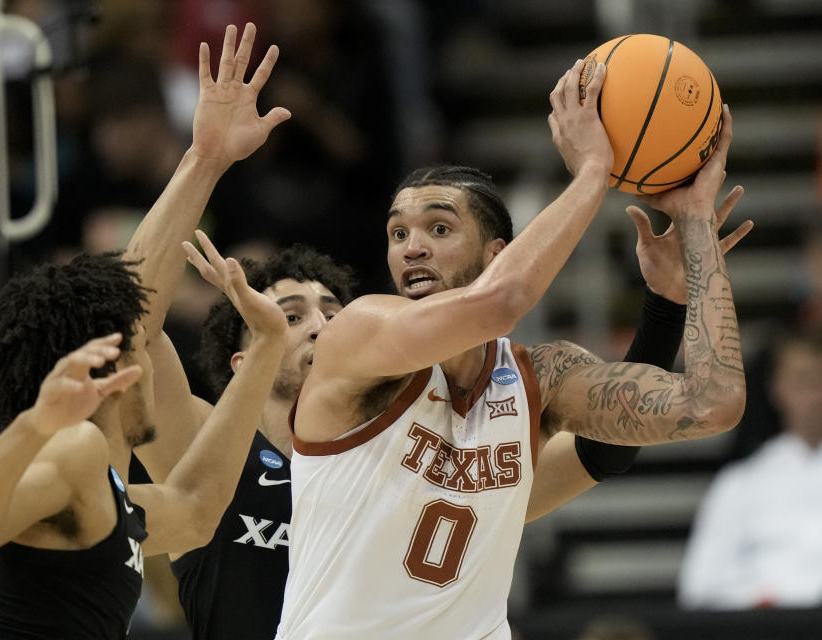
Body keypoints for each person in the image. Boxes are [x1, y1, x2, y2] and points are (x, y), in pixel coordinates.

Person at [276, 56, 747, 638]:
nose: (411, 248)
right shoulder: (358, 332)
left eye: (439, 228)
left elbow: (711, 404)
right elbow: (502, 303)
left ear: (497, 253)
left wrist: (693, 241)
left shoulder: (539, 377)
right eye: (398, 232)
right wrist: (593, 172)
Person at [0, 27, 290, 640]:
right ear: (113, 366)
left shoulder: (110, 498)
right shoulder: (74, 451)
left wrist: (266, 351)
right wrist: (37, 424)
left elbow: (202, 512)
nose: (156, 349)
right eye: (140, 344)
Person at [677, 326, 822, 610]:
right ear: (777, 387)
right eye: (804, 381)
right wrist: (760, 598)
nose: (816, 395)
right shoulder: (739, 483)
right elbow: (698, 586)